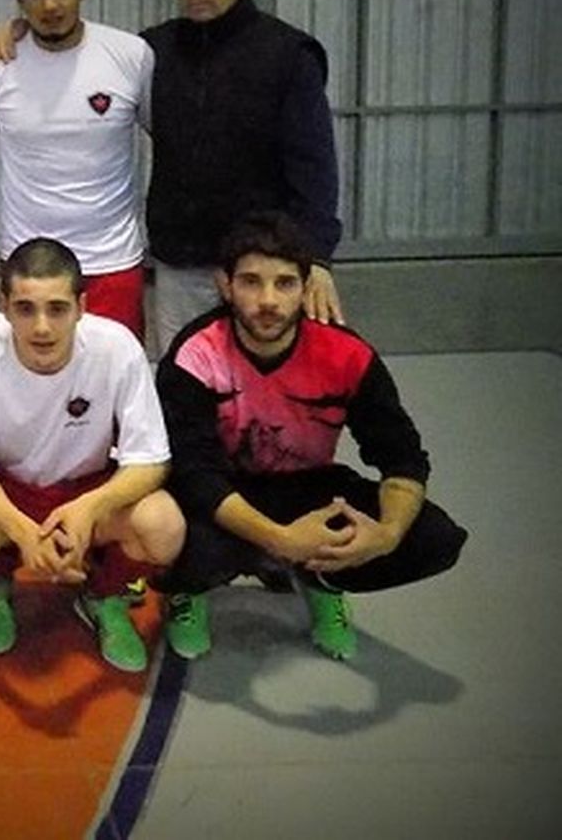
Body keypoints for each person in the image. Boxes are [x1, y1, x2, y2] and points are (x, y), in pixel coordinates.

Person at [155, 211, 467, 661]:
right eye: (250, 282)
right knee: (169, 530)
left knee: (435, 538)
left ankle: (323, 578)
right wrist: (280, 540)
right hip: (225, 494)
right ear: (225, 285)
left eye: (284, 283)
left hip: (310, 488)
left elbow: (402, 458)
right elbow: (195, 473)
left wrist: (387, 535)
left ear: (306, 287)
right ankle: (191, 591)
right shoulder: (194, 356)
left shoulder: (346, 355)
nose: (268, 300)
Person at [0, 238, 181, 672]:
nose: (42, 327)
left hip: (85, 489)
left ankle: (106, 596)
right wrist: (24, 532)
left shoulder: (117, 346)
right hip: (4, 487)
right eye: (26, 309)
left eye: (57, 309)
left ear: (82, 307)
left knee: (163, 527)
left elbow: (151, 460)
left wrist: (89, 508)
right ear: (4, 307)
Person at [141, 0, 344, 350]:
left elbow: (315, 166)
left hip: (263, 264)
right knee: (184, 378)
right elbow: (84, 55)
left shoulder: (288, 55)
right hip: (183, 260)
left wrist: (316, 257)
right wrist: (19, 32)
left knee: (264, 384)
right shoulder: (152, 51)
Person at [0, 0, 154, 339]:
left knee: (113, 388)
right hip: (30, 267)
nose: (50, 5)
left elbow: (170, 139)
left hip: (111, 263)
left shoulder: (131, 56)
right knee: (31, 390)